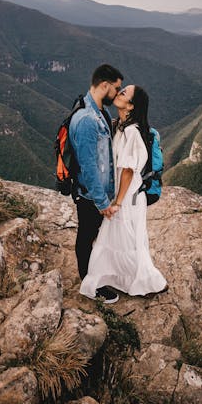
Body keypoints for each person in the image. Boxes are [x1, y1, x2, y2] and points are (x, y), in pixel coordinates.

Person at [80, 84, 167, 300]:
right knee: (122, 237)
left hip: (128, 195)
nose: (118, 94)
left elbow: (128, 170)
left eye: (124, 93)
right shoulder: (119, 126)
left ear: (130, 105)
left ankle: (142, 280)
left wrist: (117, 202)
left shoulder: (130, 131)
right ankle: (129, 279)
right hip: (125, 192)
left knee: (125, 237)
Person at [69, 63, 124, 304]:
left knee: (96, 238)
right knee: (87, 236)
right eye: (116, 88)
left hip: (96, 192)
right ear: (105, 85)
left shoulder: (100, 112)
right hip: (89, 194)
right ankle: (90, 285)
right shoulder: (87, 120)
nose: (118, 94)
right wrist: (102, 201)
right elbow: (88, 166)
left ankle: (95, 278)